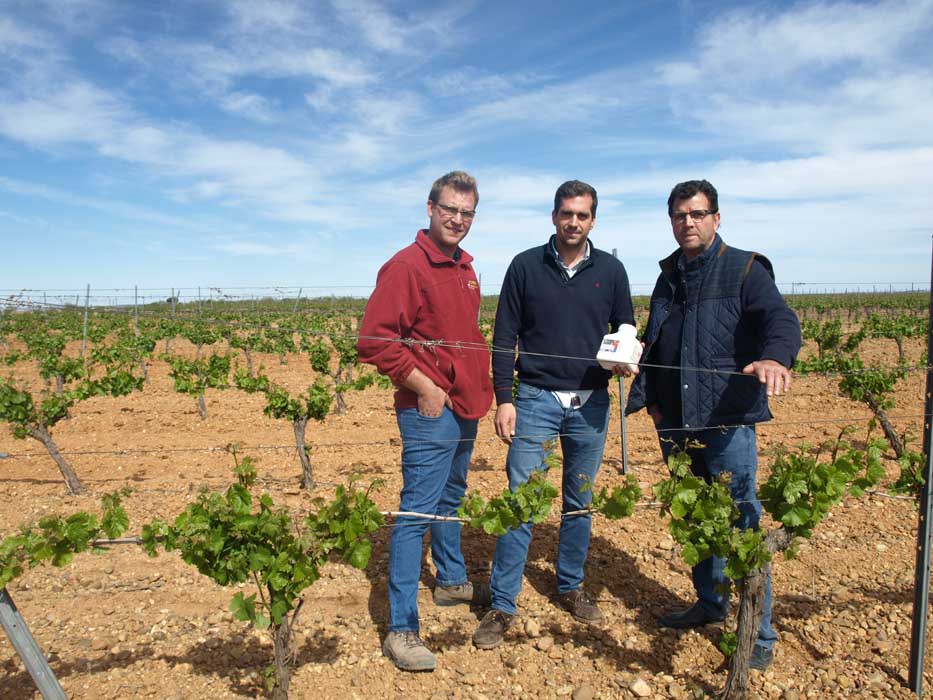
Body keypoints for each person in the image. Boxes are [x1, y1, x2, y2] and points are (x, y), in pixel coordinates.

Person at [626, 179, 801, 671]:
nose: (689, 222)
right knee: (696, 521)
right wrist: (654, 404)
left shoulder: (745, 268)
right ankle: (709, 603)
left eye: (698, 214)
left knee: (742, 527)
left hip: (726, 423)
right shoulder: (670, 276)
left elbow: (781, 320)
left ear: (716, 218)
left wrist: (775, 357)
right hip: (675, 426)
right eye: (681, 215)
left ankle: (758, 634)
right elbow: (658, 341)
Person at [472, 180, 636, 650]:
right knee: (521, 503)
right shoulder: (525, 266)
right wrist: (505, 397)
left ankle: (570, 586)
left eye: (582, 215)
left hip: (591, 402)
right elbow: (504, 337)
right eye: (566, 213)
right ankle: (503, 603)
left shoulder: (612, 270)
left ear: (593, 220)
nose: (573, 222)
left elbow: (624, 324)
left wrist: (625, 351)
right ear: (553, 216)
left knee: (579, 502)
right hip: (536, 400)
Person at [357, 171, 493, 672]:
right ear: (431, 208)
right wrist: (426, 386)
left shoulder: (465, 267)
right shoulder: (406, 266)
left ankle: (452, 582)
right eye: (449, 209)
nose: (457, 219)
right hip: (430, 409)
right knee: (415, 512)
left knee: (450, 500)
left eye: (467, 213)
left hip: (466, 404)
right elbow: (374, 341)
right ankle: (402, 628)